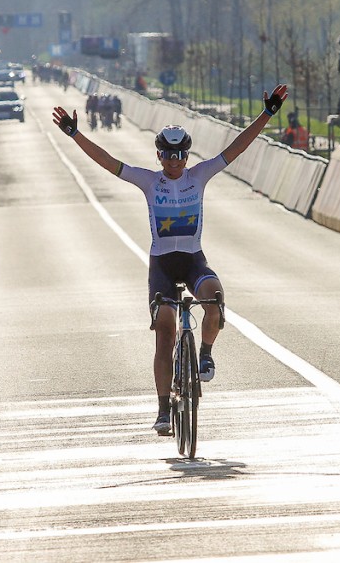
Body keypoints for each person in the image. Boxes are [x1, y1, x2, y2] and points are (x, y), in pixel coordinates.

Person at [52, 83, 289, 436]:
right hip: (162, 265)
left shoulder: (199, 176)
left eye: (181, 156)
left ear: (188, 156)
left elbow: (236, 148)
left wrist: (267, 114)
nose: (175, 162)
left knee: (215, 298)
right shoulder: (149, 182)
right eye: (168, 155)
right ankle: (164, 409)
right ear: (159, 156)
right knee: (164, 331)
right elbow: (108, 162)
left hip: (193, 260)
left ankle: (205, 352)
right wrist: (76, 135)